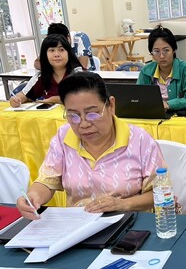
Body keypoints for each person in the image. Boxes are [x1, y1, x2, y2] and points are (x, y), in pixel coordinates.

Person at [16, 71, 166, 219]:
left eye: (92, 114)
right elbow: (47, 182)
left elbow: (162, 192)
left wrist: (122, 204)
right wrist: (33, 197)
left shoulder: (139, 140)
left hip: (128, 223)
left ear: (111, 105)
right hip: (79, 225)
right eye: (73, 116)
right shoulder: (63, 137)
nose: (84, 124)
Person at [137, 25, 186, 111]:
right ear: (151, 53)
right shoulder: (146, 71)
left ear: (173, 50)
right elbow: (138, 98)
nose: (161, 56)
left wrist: (168, 105)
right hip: (153, 116)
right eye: (156, 51)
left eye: (166, 50)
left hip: (179, 116)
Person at [10, 34, 83, 107]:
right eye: (52, 50)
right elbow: (24, 95)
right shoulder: (41, 76)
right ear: (45, 55)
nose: (56, 54)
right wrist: (16, 99)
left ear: (69, 53)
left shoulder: (78, 74)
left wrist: (55, 99)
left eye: (61, 50)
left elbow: (82, 98)